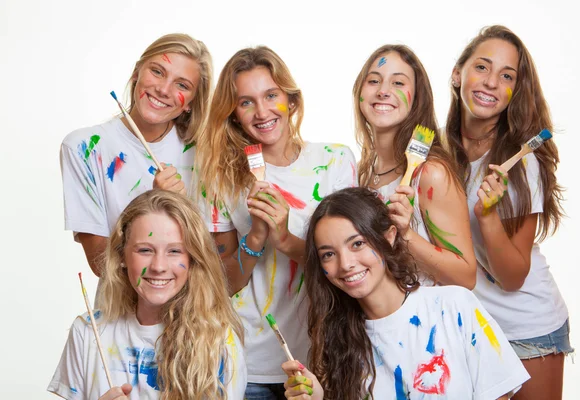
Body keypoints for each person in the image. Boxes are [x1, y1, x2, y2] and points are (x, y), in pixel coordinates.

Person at [196, 46, 357, 399]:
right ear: (234, 114)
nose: (262, 111)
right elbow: (223, 283)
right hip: (245, 360)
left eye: (271, 95)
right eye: (246, 102)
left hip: (321, 356)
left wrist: (284, 238)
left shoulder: (333, 162)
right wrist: (255, 235)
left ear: (292, 101)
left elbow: (353, 266)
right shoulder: (221, 180)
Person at [281, 187, 529, 399]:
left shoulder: (454, 307)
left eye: (357, 244)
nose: (345, 264)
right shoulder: (335, 342)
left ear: (388, 237)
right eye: (329, 254)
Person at [445, 25, 572, 399]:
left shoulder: (522, 164)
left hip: (526, 330)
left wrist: (487, 217)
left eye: (506, 76)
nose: (490, 83)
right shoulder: (435, 152)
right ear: (458, 73)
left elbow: (514, 277)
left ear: (515, 91)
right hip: (467, 328)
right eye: (482, 67)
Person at [48, 189, 246, 399]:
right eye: (145, 250)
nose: (159, 266)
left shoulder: (219, 341)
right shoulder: (88, 332)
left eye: (174, 251)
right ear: (121, 255)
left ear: (192, 260)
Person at [61, 33, 212, 277]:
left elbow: (212, 261)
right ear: (136, 73)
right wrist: (154, 204)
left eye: (182, 85)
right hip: (120, 309)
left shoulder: (206, 155)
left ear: (191, 103)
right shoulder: (84, 148)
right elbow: (101, 265)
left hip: (191, 309)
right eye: (157, 71)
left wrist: (181, 211)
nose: (163, 89)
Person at [353, 45, 476, 288]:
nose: (383, 91)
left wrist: (406, 234)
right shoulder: (361, 172)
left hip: (424, 322)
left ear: (417, 98)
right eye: (374, 80)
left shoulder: (432, 174)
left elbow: (466, 277)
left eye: (398, 83)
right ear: (359, 91)